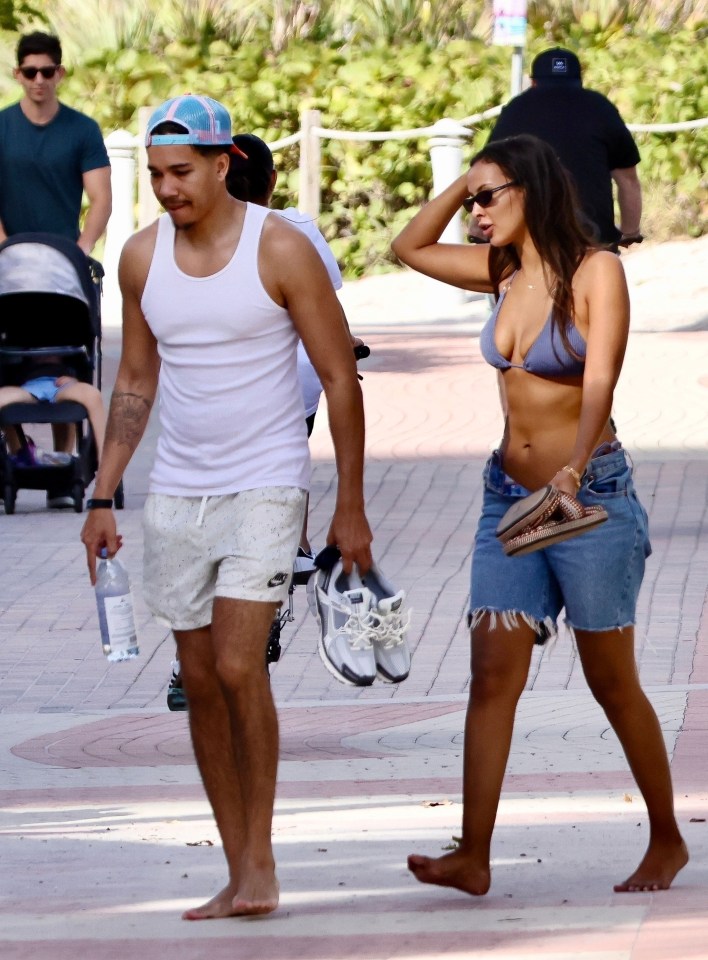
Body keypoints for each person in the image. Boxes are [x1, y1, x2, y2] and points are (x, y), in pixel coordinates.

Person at [80, 95, 372, 919]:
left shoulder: (279, 248)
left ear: (221, 164)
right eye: (156, 175)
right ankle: (240, 865)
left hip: (268, 481)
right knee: (201, 680)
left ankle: (263, 860)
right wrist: (103, 491)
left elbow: (340, 375)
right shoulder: (142, 260)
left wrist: (348, 504)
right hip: (178, 490)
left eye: (181, 173)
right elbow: (135, 381)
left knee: (242, 664)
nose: (167, 189)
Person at [392, 134, 688, 896]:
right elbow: (408, 247)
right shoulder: (500, 270)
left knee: (609, 680)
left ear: (532, 191)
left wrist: (573, 469)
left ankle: (666, 837)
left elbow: (600, 384)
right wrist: (463, 183)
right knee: (491, 672)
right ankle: (474, 853)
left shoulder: (598, 271)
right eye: (475, 200)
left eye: (491, 197)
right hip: (511, 496)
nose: (478, 213)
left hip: (588, 496)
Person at [0, 31, 112, 504]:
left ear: (60, 73)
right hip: (8, 263)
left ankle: (65, 470)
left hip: (65, 264)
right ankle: (17, 451)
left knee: (70, 345)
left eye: (48, 71)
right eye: (31, 72)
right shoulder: (2, 126)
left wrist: (81, 249)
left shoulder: (81, 130)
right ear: (17, 74)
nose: (39, 80)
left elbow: (100, 199)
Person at [485, 47, 642, 250]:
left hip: (529, 238)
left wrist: (478, 229)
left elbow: (489, 174)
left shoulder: (515, 109)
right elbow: (628, 180)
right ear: (579, 81)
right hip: (592, 238)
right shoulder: (600, 107)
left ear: (533, 82)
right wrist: (630, 232)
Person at [0, 354, 106, 460]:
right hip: (26, 384)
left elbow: (82, 358)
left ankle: (104, 464)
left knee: (93, 395)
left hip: (63, 383)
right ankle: (20, 454)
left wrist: (75, 378)